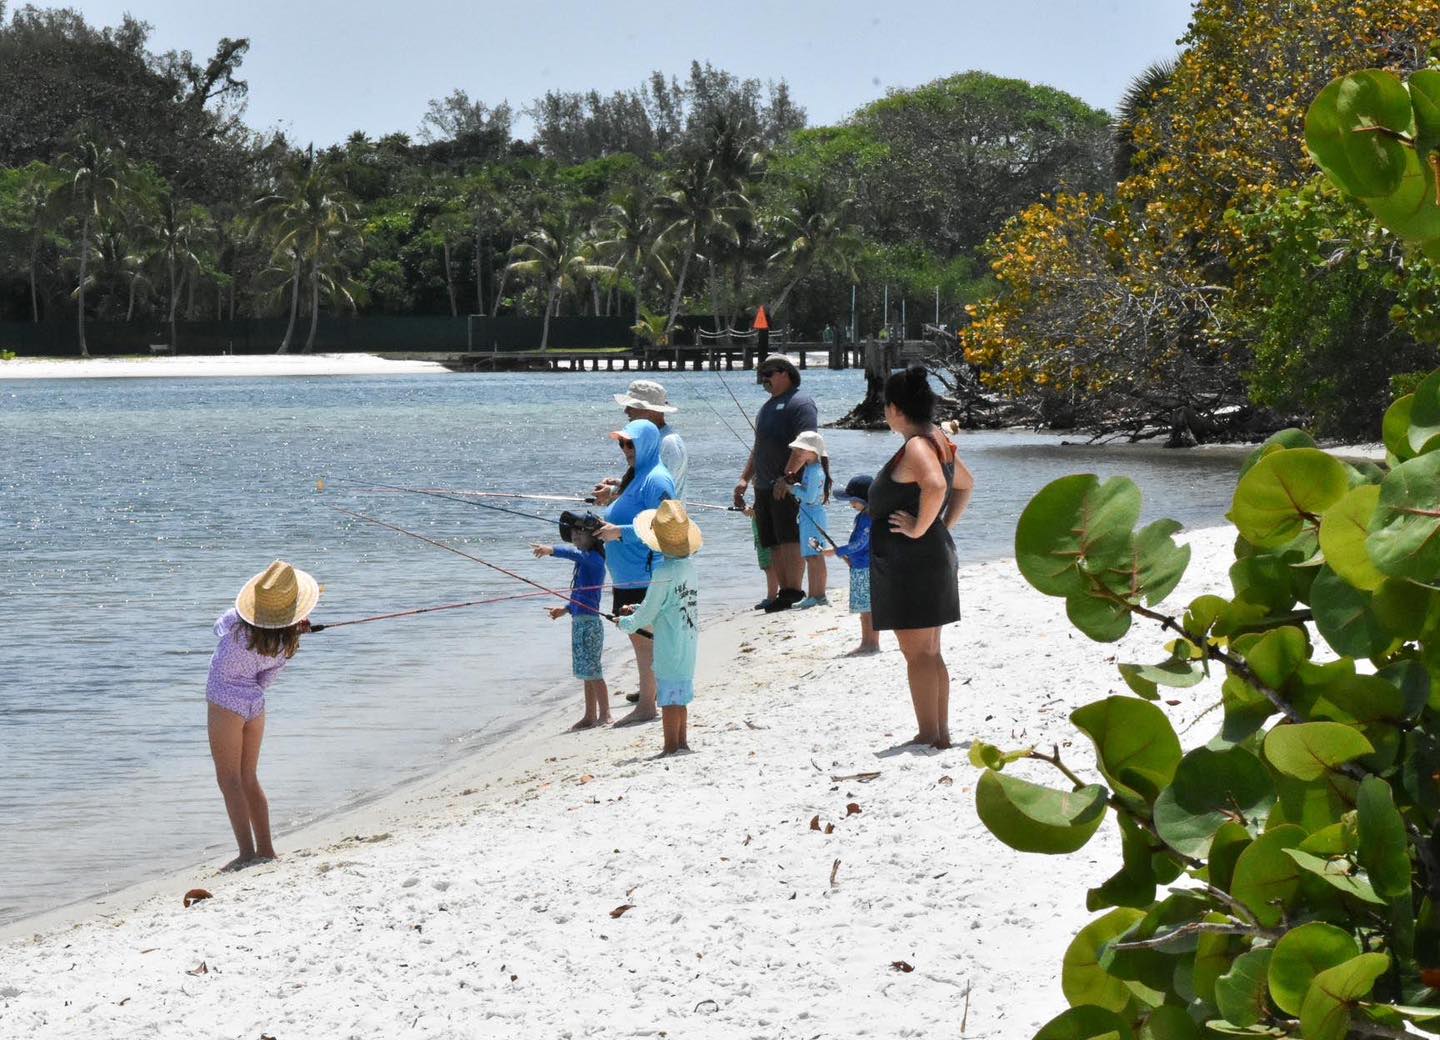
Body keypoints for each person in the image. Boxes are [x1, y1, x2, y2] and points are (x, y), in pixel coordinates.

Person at [868, 367, 975, 749]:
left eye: (886, 407)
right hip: (929, 556)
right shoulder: (937, 438)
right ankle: (937, 732)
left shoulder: (917, 444)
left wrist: (920, 527)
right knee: (929, 652)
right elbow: (965, 485)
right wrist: (941, 526)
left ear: (895, 409)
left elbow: (937, 484)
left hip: (911, 562)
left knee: (917, 653)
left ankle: (930, 733)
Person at [206, 560, 320, 871]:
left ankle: (246, 853)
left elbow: (218, 625)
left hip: (225, 704)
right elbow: (264, 681)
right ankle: (266, 848)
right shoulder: (284, 645)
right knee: (249, 777)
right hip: (255, 706)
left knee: (229, 779)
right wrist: (289, 630)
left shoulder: (237, 626)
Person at [597, 418, 676, 725]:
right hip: (626, 574)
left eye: (631, 443)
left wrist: (620, 532)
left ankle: (647, 705)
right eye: (622, 444)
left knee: (645, 638)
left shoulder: (657, 479)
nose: (626, 449)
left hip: (645, 573)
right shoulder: (636, 475)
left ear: (647, 443)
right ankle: (648, 700)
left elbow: (664, 525)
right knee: (638, 637)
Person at [732, 354, 818, 613]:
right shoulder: (766, 407)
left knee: (788, 536)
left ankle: (794, 590)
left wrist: (789, 476)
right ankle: (784, 590)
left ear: (786, 373)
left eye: (768, 373)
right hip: (763, 485)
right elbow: (758, 448)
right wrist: (744, 479)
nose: (764, 379)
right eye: (762, 374)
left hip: (786, 484)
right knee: (771, 540)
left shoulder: (802, 403)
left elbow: (806, 443)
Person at [617, 501, 701, 756]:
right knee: (680, 695)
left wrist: (627, 622)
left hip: (670, 643)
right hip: (688, 640)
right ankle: (682, 742)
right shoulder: (688, 567)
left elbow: (649, 612)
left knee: (668, 698)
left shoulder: (663, 570)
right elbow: (665, 603)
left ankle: (669, 746)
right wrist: (638, 608)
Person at [532, 523, 611, 730]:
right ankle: (590, 715)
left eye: (580, 532)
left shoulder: (594, 559)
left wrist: (552, 550)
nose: (575, 535)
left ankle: (605, 714)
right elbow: (580, 594)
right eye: (573, 532)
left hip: (591, 624)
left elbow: (574, 554)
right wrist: (565, 609)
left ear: (594, 537)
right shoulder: (584, 561)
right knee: (586, 672)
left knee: (594, 670)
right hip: (579, 621)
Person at [594, 380, 687, 503]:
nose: (626, 411)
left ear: (650, 411)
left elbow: (661, 491)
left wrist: (613, 492)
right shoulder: (654, 439)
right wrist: (620, 485)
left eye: (631, 406)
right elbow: (648, 482)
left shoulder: (668, 442)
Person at [817, 475, 878, 656]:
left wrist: (837, 551)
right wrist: (843, 554)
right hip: (859, 566)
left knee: (868, 609)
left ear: (863, 500)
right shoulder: (863, 516)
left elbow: (860, 544)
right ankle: (866, 642)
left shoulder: (868, 519)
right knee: (864, 609)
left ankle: (871, 644)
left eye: (853, 500)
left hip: (865, 568)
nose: (850, 503)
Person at [784, 429, 832, 609]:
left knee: (814, 557)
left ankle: (816, 595)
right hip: (810, 516)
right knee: (814, 556)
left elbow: (810, 497)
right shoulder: (812, 469)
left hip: (812, 518)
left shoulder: (813, 471)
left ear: (813, 452)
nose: (797, 453)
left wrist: (793, 489)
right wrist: (797, 486)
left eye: (801, 450)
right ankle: (817, 595)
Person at [746, 503, 779, 609]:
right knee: (768, 567)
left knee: (769, 567)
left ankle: (771, 597)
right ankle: (773, 596)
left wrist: (756, 512)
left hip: (765, 535)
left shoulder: (765, 488)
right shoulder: (762, 490)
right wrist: (749, 509)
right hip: (760, 536)